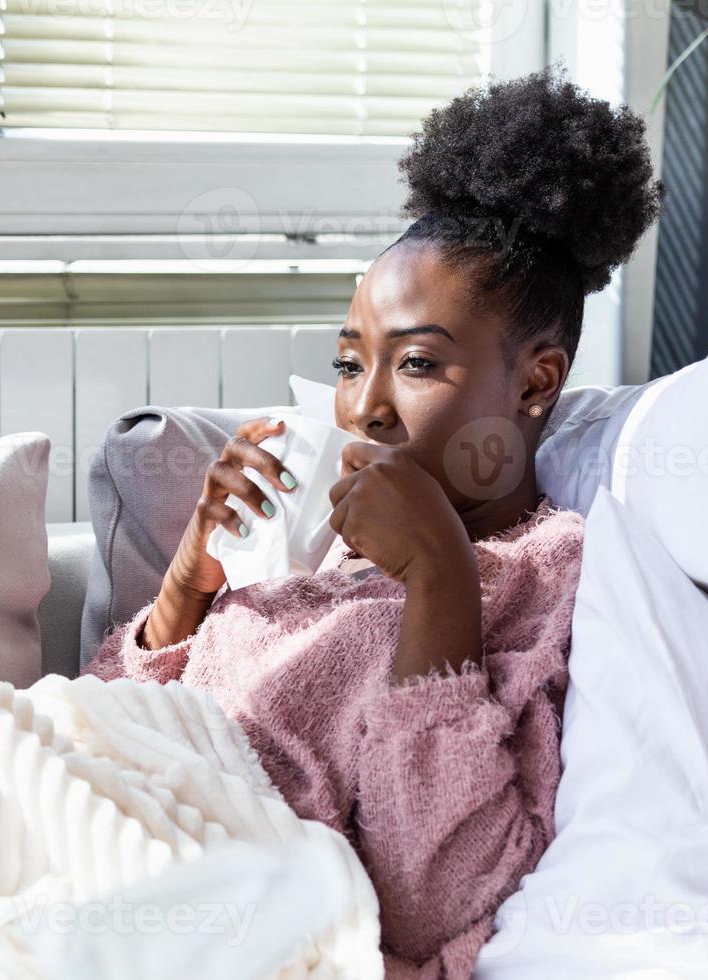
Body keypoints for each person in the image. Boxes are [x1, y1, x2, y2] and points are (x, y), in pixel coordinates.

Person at [85, 66, 665, 978]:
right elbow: (107, 709)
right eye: (351, 363)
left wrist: (441, 574)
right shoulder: (312, 547)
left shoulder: (555, 577)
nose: (365, 411)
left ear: (535, 384)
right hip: (93, 814)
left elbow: (436, 898)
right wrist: (185, 587)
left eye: (420, 365)